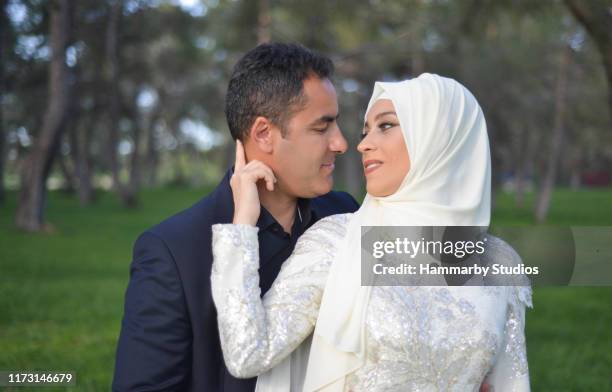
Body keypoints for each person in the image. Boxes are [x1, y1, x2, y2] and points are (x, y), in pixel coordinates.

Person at [211, 73, 533, 391]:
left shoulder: (500, 263)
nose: (363, 144)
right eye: (366, 130)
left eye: (387, 125)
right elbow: (247, 353)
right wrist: (242, 225)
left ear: (441, 138)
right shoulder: (335, 242)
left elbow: (510, 382)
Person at [112, 43, 360, 392]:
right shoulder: (173, 251)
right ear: (263, 134)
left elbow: (456, 267)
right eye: (322, 128)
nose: (341, 143)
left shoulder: (346, 214)